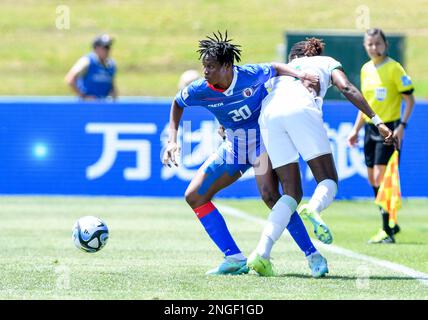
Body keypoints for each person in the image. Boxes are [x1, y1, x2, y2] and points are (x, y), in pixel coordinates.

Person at [162, 31, 327, 277]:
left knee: (271, 196)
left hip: (262, 143)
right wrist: (172, 141)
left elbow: (275, 68)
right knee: (194, 195)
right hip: (235, 147)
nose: (205, 71)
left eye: (211, 66)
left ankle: (313, 255)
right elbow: (178, 103)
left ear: (227, 66)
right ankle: (233, 257)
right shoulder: (200, 89)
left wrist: (301, 74)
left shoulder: (248, 75)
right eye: (204, 66)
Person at [247, 38, 394, 276]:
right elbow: (346, 87)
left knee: (291, 194)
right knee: (328, 180)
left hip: (269, 116)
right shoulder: (326, 61)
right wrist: (377, 121)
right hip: (301, 109)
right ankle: (314, 208)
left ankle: (261, 254)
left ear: (293, 57)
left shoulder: (279, 73)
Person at [347, 28, 415, 244]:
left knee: (381, 177)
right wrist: (356, 130)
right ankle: (391, 222)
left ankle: (387, 229)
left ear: (385, 44)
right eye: (370, 44)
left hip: (390, 129)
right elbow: (365, 106)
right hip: (370, 129)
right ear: (365, 46)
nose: (374, 47)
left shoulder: (395, 68)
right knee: (372, 179)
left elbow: (409, 99)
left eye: (378, 43)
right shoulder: (366, 69)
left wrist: (402, 126)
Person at [65, 34, 118, 100]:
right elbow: (70, 78)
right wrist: (83, 96)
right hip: (86, 106)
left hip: (103, 106)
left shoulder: (111, 65)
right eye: (105, 47)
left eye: (109, 47)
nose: (108, 50)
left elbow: (111, 86)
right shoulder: (87, 61)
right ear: (96, 48)